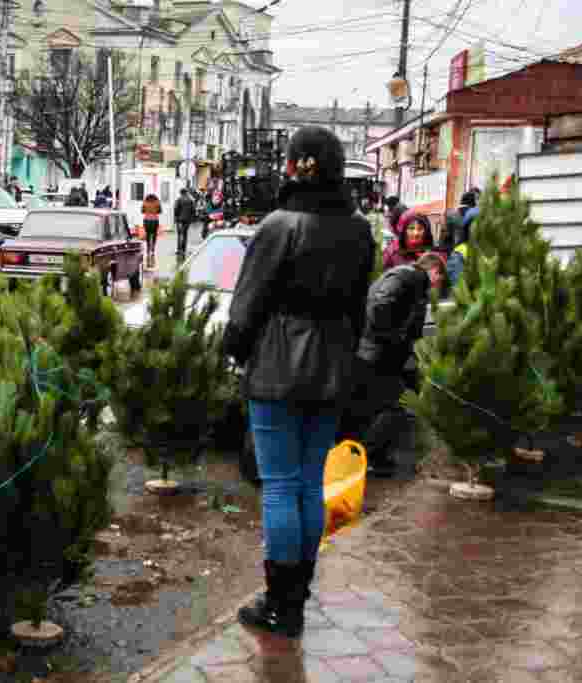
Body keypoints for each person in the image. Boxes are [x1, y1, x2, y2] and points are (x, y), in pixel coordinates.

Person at [223, 126, 375, 640]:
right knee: (309, 484)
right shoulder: (359, 227)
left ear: (293, 166)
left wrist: (235, 352)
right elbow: (360, 308)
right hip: (333, 367)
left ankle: (279, 605)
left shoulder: (278, 225)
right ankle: (297, 601)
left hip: (275, 367)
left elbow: (246, 307)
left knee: (280, 486)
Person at [339, 255, 433, 477]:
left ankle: (357, 457)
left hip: (372, 353)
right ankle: (371, 458)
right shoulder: (409, 277)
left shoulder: (404, 277)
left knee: (366, 408)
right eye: (438, 278)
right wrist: (394, 336)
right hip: (378, 354)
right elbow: (381, 306)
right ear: (433, 271)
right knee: (395, 405)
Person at [174, 188, 196, 256]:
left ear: (180, 193)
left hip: (180, 220)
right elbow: (193, 210)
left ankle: (179, 249)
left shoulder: (178, 200)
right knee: (185, 234)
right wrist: (191, 218)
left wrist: (176, 217)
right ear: (186, 193)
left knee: (180, 234)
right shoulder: (190, 200)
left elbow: (176, 209)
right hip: (187, 220)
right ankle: (183, 249)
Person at [141, 193, 161, 268]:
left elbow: (142, 211)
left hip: (147, 220)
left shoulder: (145, 202)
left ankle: (148, 249)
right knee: (154, 234)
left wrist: (147, 211)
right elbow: (159, 211)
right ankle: (153, 250)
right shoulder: (157, 202)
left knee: (148, 235)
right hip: (155, 220)